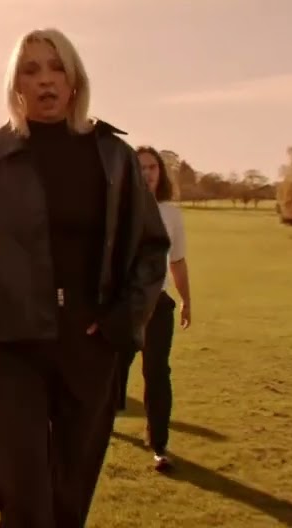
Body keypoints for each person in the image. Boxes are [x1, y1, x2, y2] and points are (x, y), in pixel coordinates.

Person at [0, 28, 170, 528]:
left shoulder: (114, 157)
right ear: (16, 86)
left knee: (70, 499)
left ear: (74, 80)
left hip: (90, 346)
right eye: (31, 69)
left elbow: (151, 249)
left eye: (56, 67)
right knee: (23, 498)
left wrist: (119, 322)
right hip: (12, 347)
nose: (45, 79)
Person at [113, 146, 191, 473]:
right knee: (116, 367)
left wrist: (186, 300)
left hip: (158, 304)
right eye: (140, 167)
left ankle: (159, 445)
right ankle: (101, 419)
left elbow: (178, 261)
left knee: (157, 373)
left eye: (152, 168)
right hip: (124, 303)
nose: (146, 173)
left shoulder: (170, 214)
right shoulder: (117, 207)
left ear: (160, 173)